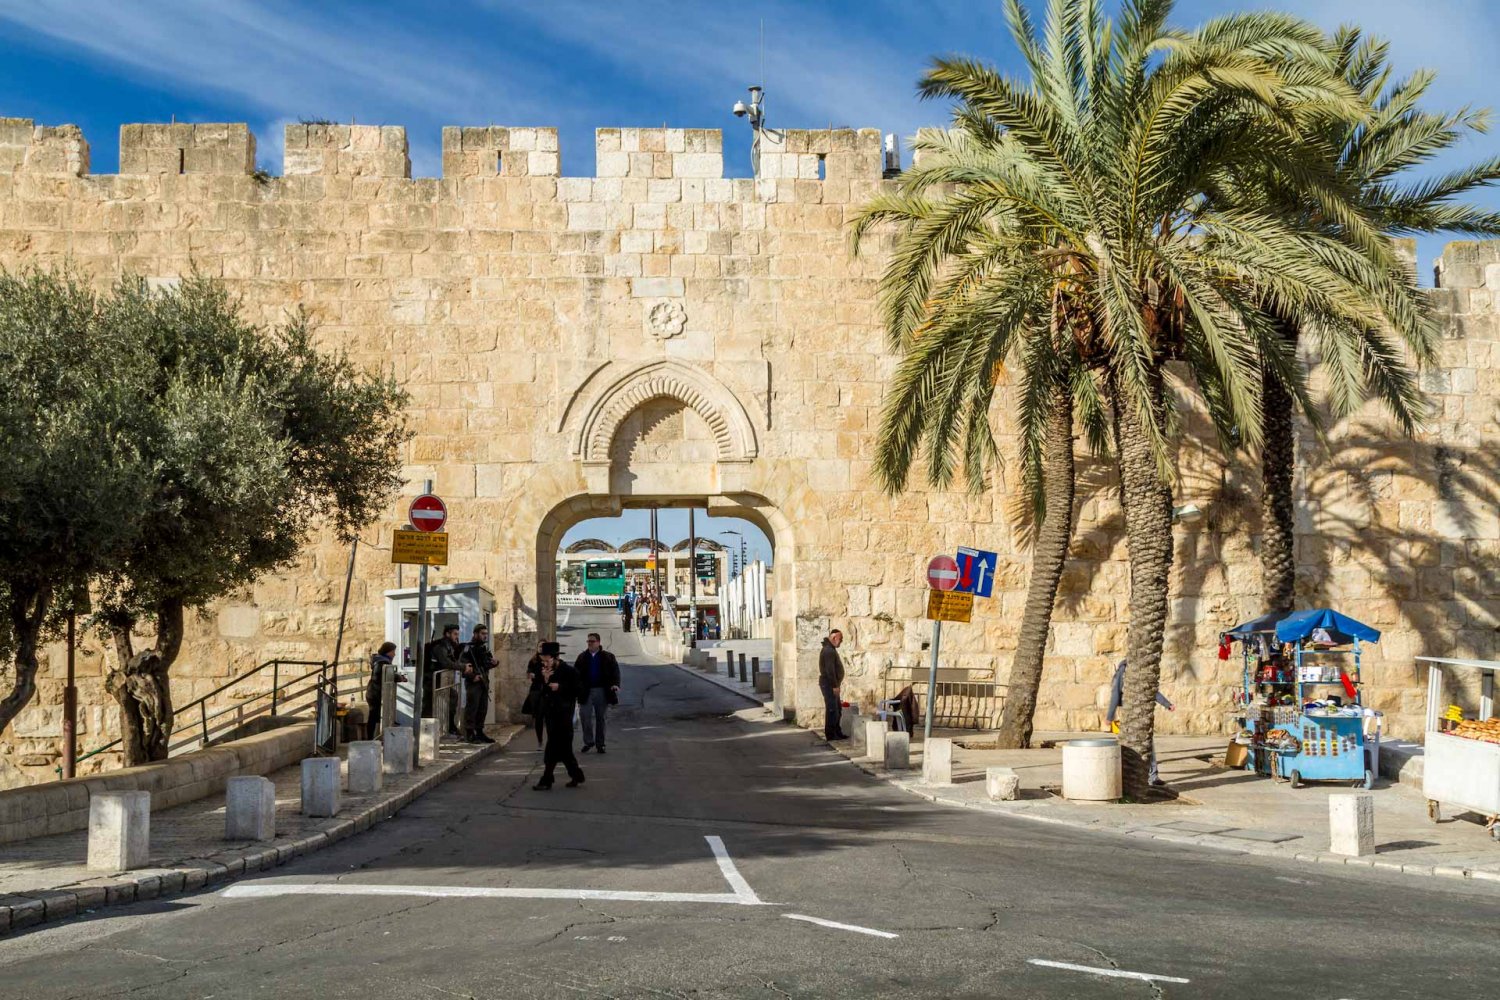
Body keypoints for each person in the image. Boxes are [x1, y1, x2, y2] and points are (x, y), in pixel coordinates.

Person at [1106, 658, 1175, 786]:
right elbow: (1115, 693)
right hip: (1130, 714)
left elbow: (1151, 690)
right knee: (1130, 746)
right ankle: (1130, 777)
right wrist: (1110, 716)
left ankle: (1153, 777)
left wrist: (1167, 704)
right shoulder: (1123, 670)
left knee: (1148, 744)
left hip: (1143, 714)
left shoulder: (1143, 669)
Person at [535, 641, 585, 790]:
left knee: (552, 749)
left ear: (555, 658)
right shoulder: (544, 671)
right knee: (565, 751)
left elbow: (579, 690)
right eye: (543, 660)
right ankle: (576, 775)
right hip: (550, 716)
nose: (545, 663)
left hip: (564, 715)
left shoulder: (569, 671)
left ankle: (546, 780)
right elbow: (542, 693)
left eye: (547, 660)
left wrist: (560, 687)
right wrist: (545, 680)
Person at [574, 632, 621, 754]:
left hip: (602, 690)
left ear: (598, 643)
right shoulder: (582, 657)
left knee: (601, 718)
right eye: (588, 641)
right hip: (586, 691)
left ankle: (601, 744)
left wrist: (615, 684)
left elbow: (615, 672)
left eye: (592, 641)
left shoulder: (608, 657)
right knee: (585, 716)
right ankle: (588, 741)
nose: (589, 643)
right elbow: (575, 674)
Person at [459, 624, 497, 743]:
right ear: (475, 634)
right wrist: (472, 676)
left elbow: (487, 664)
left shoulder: (484, 648)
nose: (485, 636)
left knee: (482, 708)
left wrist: (495, 663)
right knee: (472, 708)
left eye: (486, 634)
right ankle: (469, 733)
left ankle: (479, 732)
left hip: (484, 681)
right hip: (473, 682)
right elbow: (463, 665)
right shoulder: (467, 648)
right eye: (482, 634)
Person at [425, 623, 463, 739]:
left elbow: (453, 659)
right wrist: (462, 667)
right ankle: (425, 732)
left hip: (441, 680)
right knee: (428, 706)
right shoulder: (440, 646)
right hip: (431, 679)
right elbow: (445, 662)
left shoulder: (449, 645)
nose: (456, 637)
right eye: (455, 634)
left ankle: (450, 727)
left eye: (457, 634)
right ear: (447, 634)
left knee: (453, 697)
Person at [365, 642, 400, 740]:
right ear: (388, 652)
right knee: (374, 716)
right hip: (375, 693)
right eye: (393, 651)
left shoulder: (381, 661)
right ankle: (371, 738)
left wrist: (397, 677)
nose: (394, 654)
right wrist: (397, 677)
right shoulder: (381, 662)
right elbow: (380, 676)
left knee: (376, 716)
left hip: (375, 692)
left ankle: (376, 737)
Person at [819, 629, 847, 741]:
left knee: (837, 709)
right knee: (832, 709)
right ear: (834, 637)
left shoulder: (831, 649)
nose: (841, 641)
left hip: (832, 683)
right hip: (829, 684)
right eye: (840, 639)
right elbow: (830, 670)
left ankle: (837, 732)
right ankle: (831, 735)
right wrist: (835, 686)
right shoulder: (828, 651)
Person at [524, 641, 547, 749]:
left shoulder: (550, 660)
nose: (541, 648)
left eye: (543, 646)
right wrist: (530, 674)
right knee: (538, 717)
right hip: (536, 690)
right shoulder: (533, 661)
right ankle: (540, 741)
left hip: (548, 691)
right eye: (539, 646)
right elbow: (529, 673)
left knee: (550, 717)